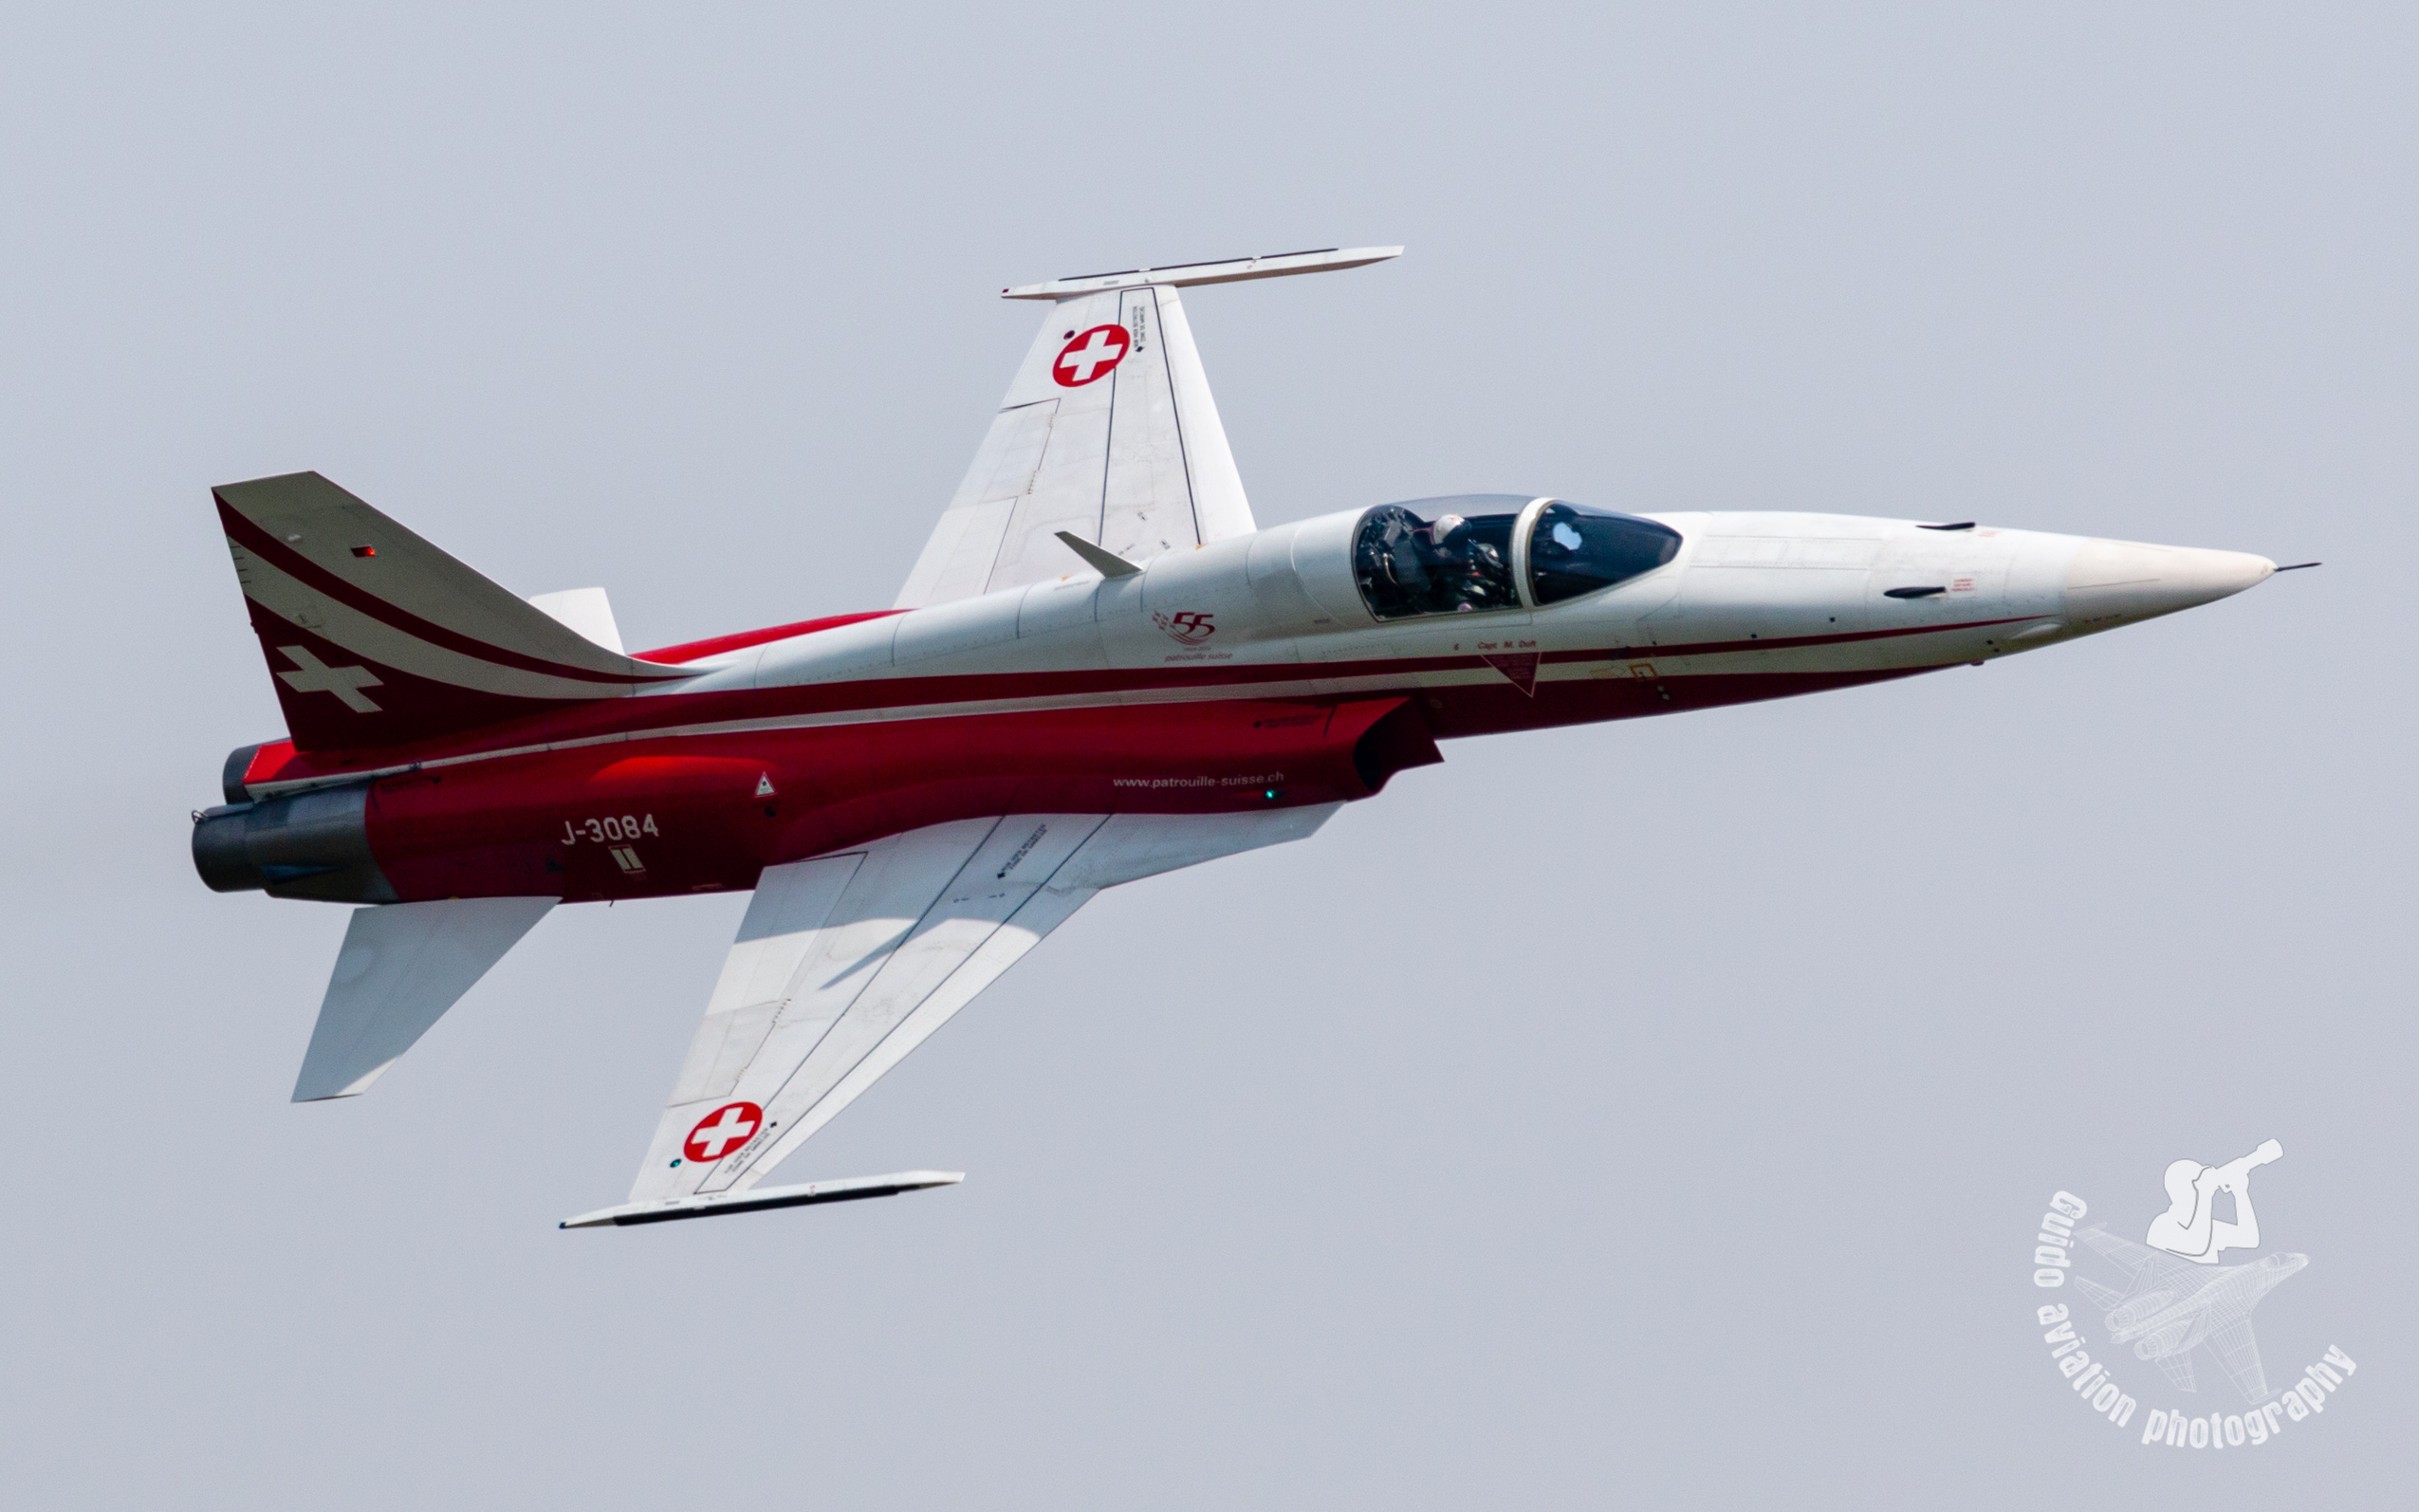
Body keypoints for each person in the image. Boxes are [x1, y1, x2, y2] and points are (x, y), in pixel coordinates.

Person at [2145, 1138, 2283, 1263]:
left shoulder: (2207, 1227)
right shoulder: (2161, 1226)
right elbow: (2197, 1245)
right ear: (2181, 1188)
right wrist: (2204, 1194)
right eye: (2198, 1181)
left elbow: (2250, 1239)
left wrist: (2241, 1193)